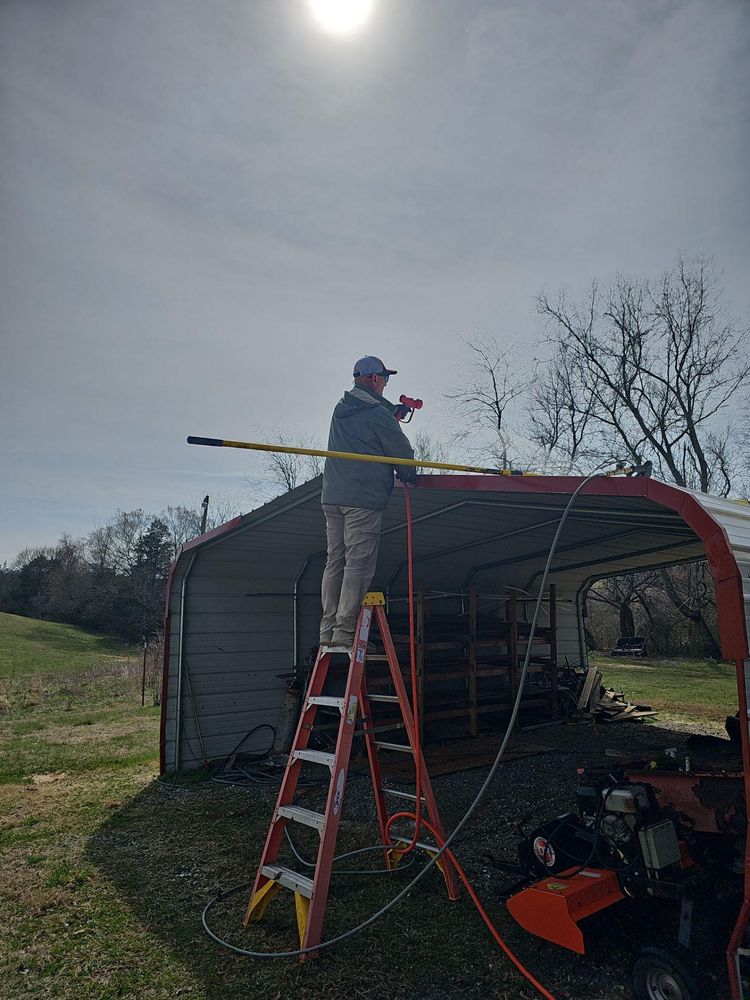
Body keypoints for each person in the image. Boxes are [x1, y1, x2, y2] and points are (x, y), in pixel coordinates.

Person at [319, 356, 417, 648]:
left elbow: (369, 418)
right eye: (385, 379)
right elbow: (405, 462)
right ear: (375, 379)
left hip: (333, 496)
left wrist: (392, 412)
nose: (386, 385)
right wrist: (407, 470)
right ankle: (346, 633)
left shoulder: (342, 408)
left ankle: (328, 630)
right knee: (358, 563)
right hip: (362, 499)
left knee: (335, 560)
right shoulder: (377, 415)